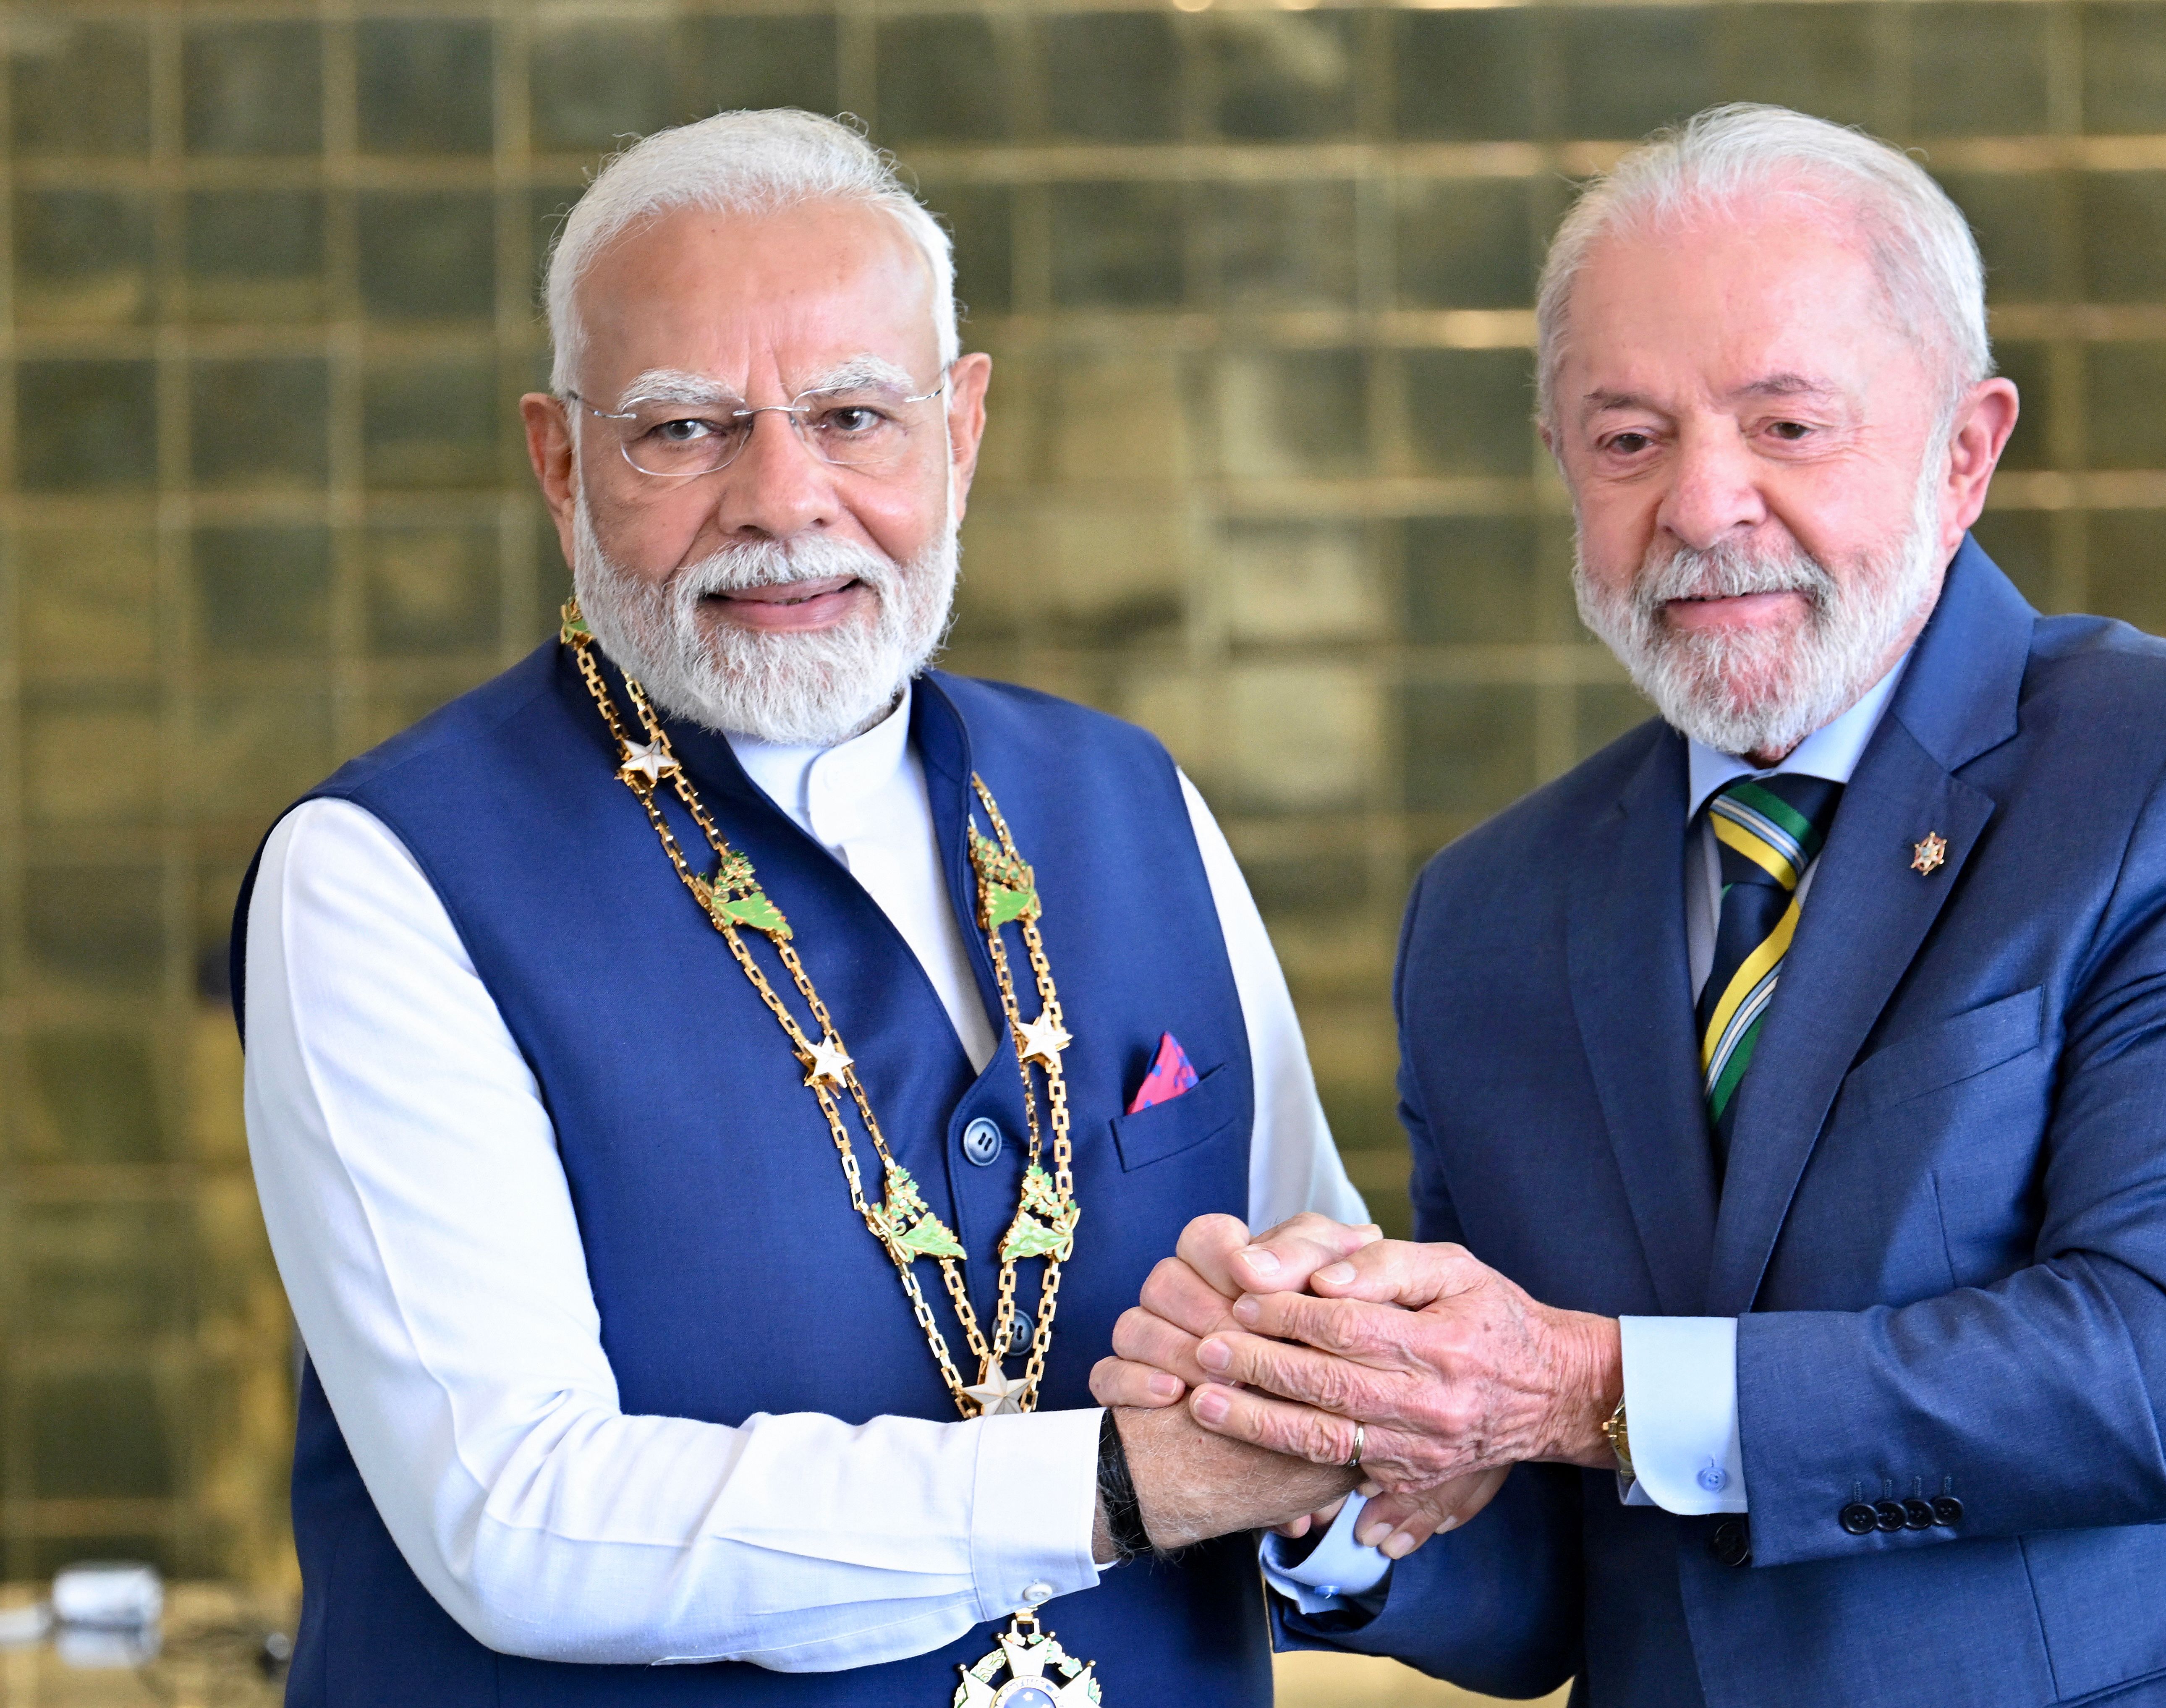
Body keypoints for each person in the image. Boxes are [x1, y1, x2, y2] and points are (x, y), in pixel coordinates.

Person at [1095, 105, 2166, 1706]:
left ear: (1965, 454)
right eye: (1628, 440)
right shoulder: (1490, 915)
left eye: (1786, 427)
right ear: (1563, 468)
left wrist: (1577, 1384)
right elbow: (1562, 1584)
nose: (1701, 506)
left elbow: (2157, 1382)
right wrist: (1340, 1463)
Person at [232, 109, 1379, 1704]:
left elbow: (1317, 1331)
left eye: (854, 414)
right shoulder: (378, 876)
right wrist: (1114, 1487)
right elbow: (522, 1517)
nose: (784, 499)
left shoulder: (1134, 802)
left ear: (961, 432)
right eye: (684, 428)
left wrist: (1353, 1472)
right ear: (559, 460)